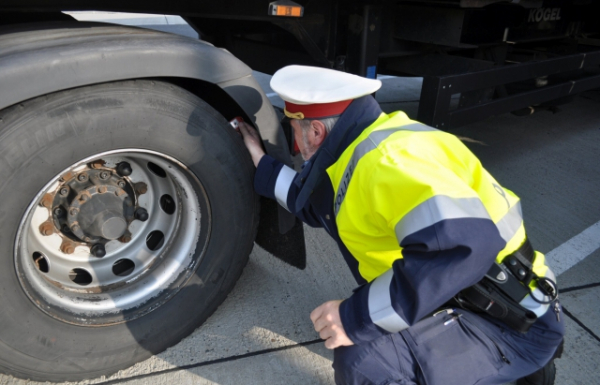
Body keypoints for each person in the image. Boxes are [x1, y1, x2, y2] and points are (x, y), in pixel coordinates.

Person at [236, 65, 564, 385]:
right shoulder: (361, 146)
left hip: (511, 325)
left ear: (317, 132)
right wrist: (261, 163)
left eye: (294, 131)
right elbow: (317, 204)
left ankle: (512, 371)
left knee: (367, 360)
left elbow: (465, 245)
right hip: (473, 299)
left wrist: (354, 318)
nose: (295, 145)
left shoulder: (388, 162)